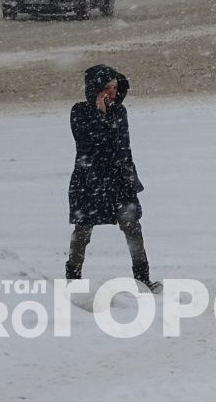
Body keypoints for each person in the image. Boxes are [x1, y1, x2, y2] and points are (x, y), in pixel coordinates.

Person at [65, 64, 159, 292]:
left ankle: (142, 278)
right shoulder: (79, 112)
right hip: (89, 180)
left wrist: (129, 178)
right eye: (107, 88)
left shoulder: (120, 112)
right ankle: (72, 279)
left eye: (115, 87)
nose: (113, 92)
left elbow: (118, 145)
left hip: (119, 180)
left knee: (132, 228)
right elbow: (89, 144)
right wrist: (99, 115)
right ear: (95, 90)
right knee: (83, 229)